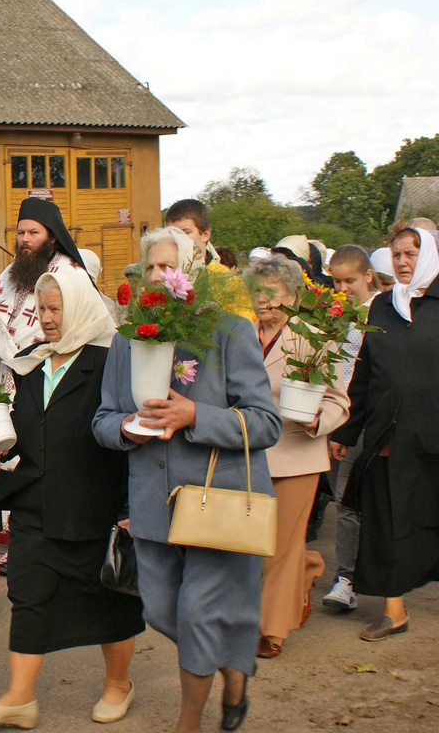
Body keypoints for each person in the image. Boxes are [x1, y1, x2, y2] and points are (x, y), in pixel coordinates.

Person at [93, 227, 281, 733]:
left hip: (218, 504)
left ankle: (189, 723)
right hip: (154, 509)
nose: (157, 276)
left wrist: (195, 414)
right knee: (163, 614)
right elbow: (104, 419)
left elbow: (266, 422)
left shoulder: (229, 330)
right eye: (150, 267)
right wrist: (128, 429)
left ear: (192, 274)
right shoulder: (126, 339)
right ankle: (235, 668)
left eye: (167, 267)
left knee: (199, 616)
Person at [0, 268, 142, 729]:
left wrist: (128, 511)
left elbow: (127, 438)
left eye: (54, 309)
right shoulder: (30, 361)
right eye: (42, 309)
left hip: (93, 504)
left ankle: (117, 685)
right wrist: (2, 436)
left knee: (108, 599)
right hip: (34, 502)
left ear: (80, 308)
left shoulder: (108, 363)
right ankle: (20, 698)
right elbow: (34, 431)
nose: (46, 319)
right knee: (27, 595)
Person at [329, 226, 439, 642]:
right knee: (387, 520)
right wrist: (346, 429)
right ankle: (394, 610)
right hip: (388, 436)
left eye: (411, 253)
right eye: (396, 254)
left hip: (433, 438)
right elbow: (363, 376)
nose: (403, 261)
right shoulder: (383, 309)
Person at [247, 255, 350, 658]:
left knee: (278, 546)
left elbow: (339, 400)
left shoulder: (312, 337)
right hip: (249, 455)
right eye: (258, 293)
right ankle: (307, 569)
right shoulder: (242, 335)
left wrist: (316, 421)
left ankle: (271, 629)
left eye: (272, 295)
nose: (264, 302)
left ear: (292, 296)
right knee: (256, 543)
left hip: (296, 456)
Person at [0, 198, 86, 401]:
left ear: (52, 237)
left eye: (33, 233)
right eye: (20, 233)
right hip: (4, 376)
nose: (25, 239)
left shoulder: (70, 273)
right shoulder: (12, 271)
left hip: (48, 375)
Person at [321, 245, 379, 612]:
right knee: (341, 497)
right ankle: (350, 575)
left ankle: (351, 576)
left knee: (351, 500)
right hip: (333, 415)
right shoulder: (333, 312)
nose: (342, 287)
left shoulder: (381, 311)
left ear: (368, 276)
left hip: (363, 418)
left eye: (350, 280)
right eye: (336, 280)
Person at [164, 199, 256, 321]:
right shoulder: (161, 276)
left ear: (205, 234)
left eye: (185, 233)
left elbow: (242, 327)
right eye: (172, 234)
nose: (178, 240)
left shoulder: (227, 281)